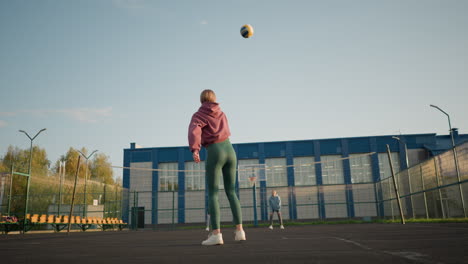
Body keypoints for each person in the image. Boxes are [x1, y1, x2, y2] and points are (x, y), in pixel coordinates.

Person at [188, 89, 245, 246]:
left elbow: (195, 130)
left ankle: (216, 235)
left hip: (215, 150)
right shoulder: (221, 112)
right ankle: (240, 231)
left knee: (213, 193)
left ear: (201, 101)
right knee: (231, 191)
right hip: (230, 150)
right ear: (214, 99)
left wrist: (195, 149)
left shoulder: (199, 114)